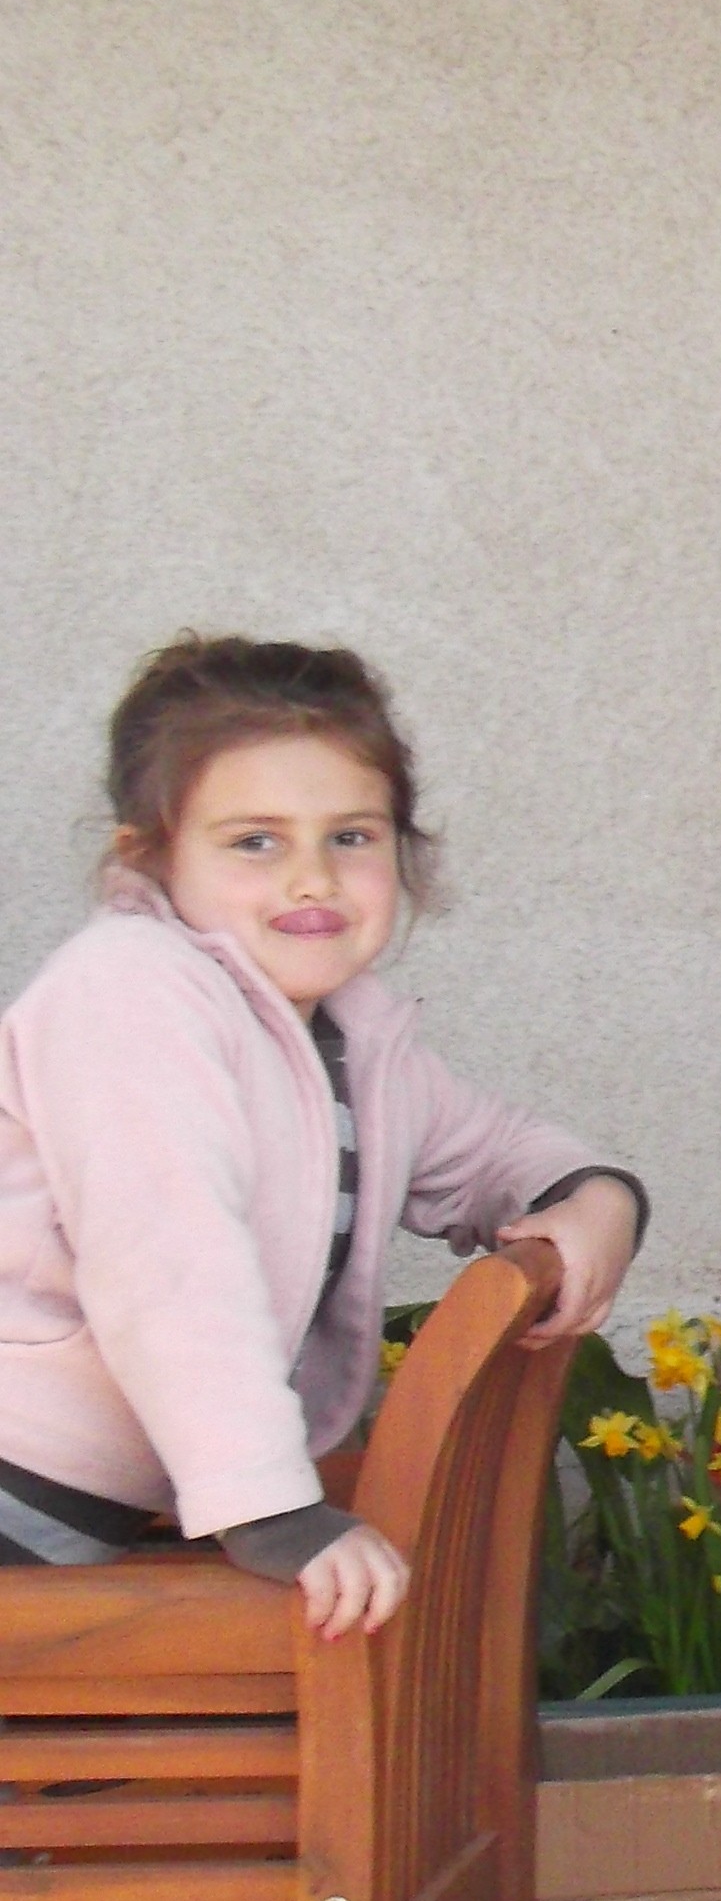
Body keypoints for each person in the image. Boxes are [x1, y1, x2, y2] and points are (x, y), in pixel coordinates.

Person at [0, 636, 643, 1631]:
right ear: (151, 855)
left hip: (96, 1509)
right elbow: (167, 1262)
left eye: (351, 836)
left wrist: (598, 1199)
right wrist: (268, 1508)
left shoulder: (347, 1037)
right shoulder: (131, 991)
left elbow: (493, 1150)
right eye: (253, 841)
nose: (311, 879)